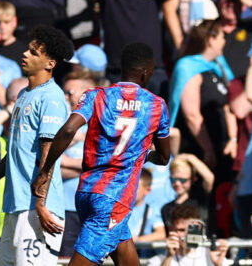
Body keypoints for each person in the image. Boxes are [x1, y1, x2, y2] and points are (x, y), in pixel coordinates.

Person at [31, 43, 172, 266]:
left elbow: (68, 130)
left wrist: (45, 170)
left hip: (86, 193)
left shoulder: (95, 95)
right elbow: (164, 157)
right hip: (114, 198)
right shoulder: (156, 105)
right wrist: (143, 155)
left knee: (126, 256)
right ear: (146, 73)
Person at [0, 26, 74, 266]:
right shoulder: (24, 94)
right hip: (16, 204)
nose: (25, 54)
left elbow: (49, 154)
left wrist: (41, 203)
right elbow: (16, 152)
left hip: (37, 208)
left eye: (34, 52)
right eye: (28, 49)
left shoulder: (52, 98)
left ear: (50, 64)